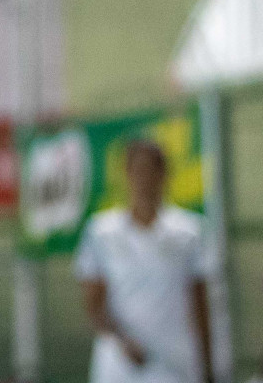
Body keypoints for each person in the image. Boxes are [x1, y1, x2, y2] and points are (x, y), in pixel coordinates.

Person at [74, 138, 215, 383]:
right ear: (126, 174)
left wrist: (208, 368)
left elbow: (200, 304)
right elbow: (94, 305)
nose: (144, 179)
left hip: (174, 365)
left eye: (151, 170)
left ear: (164, 174)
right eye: (138, 170)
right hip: (119, 367)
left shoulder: (189, 232)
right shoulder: (101, 232)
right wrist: (123, 341)